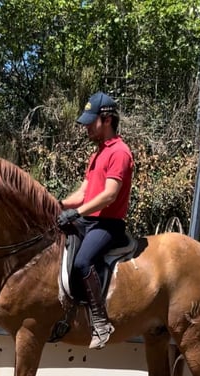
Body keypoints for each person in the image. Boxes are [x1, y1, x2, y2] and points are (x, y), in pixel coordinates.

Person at [57, 91, 134, 350]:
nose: (87, 127)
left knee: (82, 261)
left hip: (108, 225)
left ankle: (101, 322)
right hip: (88, 221)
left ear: (107, 119)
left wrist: (77, 213)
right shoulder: (97, 154)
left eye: (91, 122)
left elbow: (109, 196)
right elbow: (83, 193)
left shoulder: (120, 153)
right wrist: (57, 205)